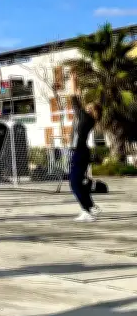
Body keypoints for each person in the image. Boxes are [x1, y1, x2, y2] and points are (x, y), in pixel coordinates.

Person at [68, 72, 102, 222]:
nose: (87, 104)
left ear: (91, 109)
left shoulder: (84, 116)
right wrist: (75, 83)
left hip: (80, 152)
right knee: (79, 182)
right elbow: (77, 97)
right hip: (81, 152)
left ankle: (87, 211)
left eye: (89, 104)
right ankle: (91, 207)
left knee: (74, 183)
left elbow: (74, 98)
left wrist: (73, 80)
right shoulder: (87, 118)